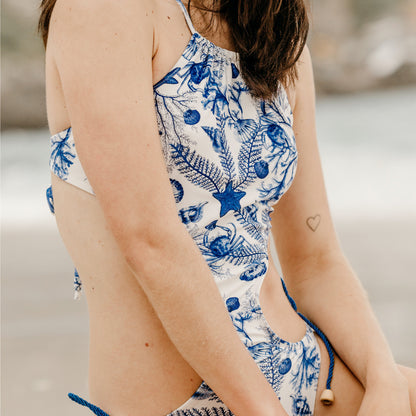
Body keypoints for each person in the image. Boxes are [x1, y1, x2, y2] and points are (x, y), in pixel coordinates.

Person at [38, 0, 416, 415]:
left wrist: (386, 381)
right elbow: (151, 241)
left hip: (304, 374)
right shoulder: (105, 10)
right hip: (181, 403)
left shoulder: (275, 35)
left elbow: (315, 259)